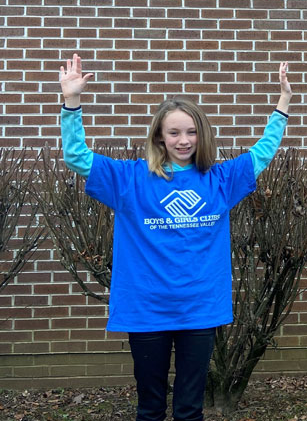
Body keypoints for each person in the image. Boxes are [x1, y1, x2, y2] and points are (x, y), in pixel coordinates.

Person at [58, 53, 292, 421]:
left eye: (191, 132)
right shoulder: (130, 179)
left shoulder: (221, 179)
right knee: (149, 408)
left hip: (199, 309)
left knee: (189, 409)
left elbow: (262, 152)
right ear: (159, 136)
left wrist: (283, 104)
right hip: (145, 310)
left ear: (202, 134)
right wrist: (72, 102)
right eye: (174, 132)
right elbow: (76, 157)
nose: (184, 140)